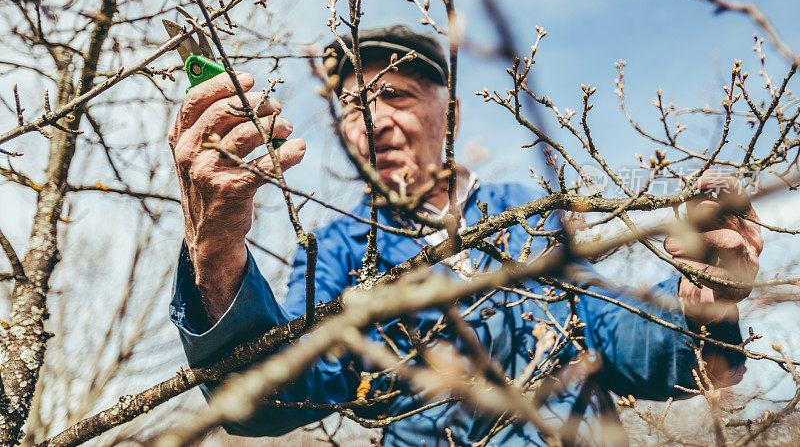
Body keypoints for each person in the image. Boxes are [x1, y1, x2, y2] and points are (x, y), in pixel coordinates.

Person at [167, 25, 762, 446]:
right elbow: (269, 399)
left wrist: (697, 309)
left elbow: (613, 333)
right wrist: (214, 248)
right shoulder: (340, 248)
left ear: (449, 117)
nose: (371, 119)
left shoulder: (523, 212)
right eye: (351, 106)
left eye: (392, 95)